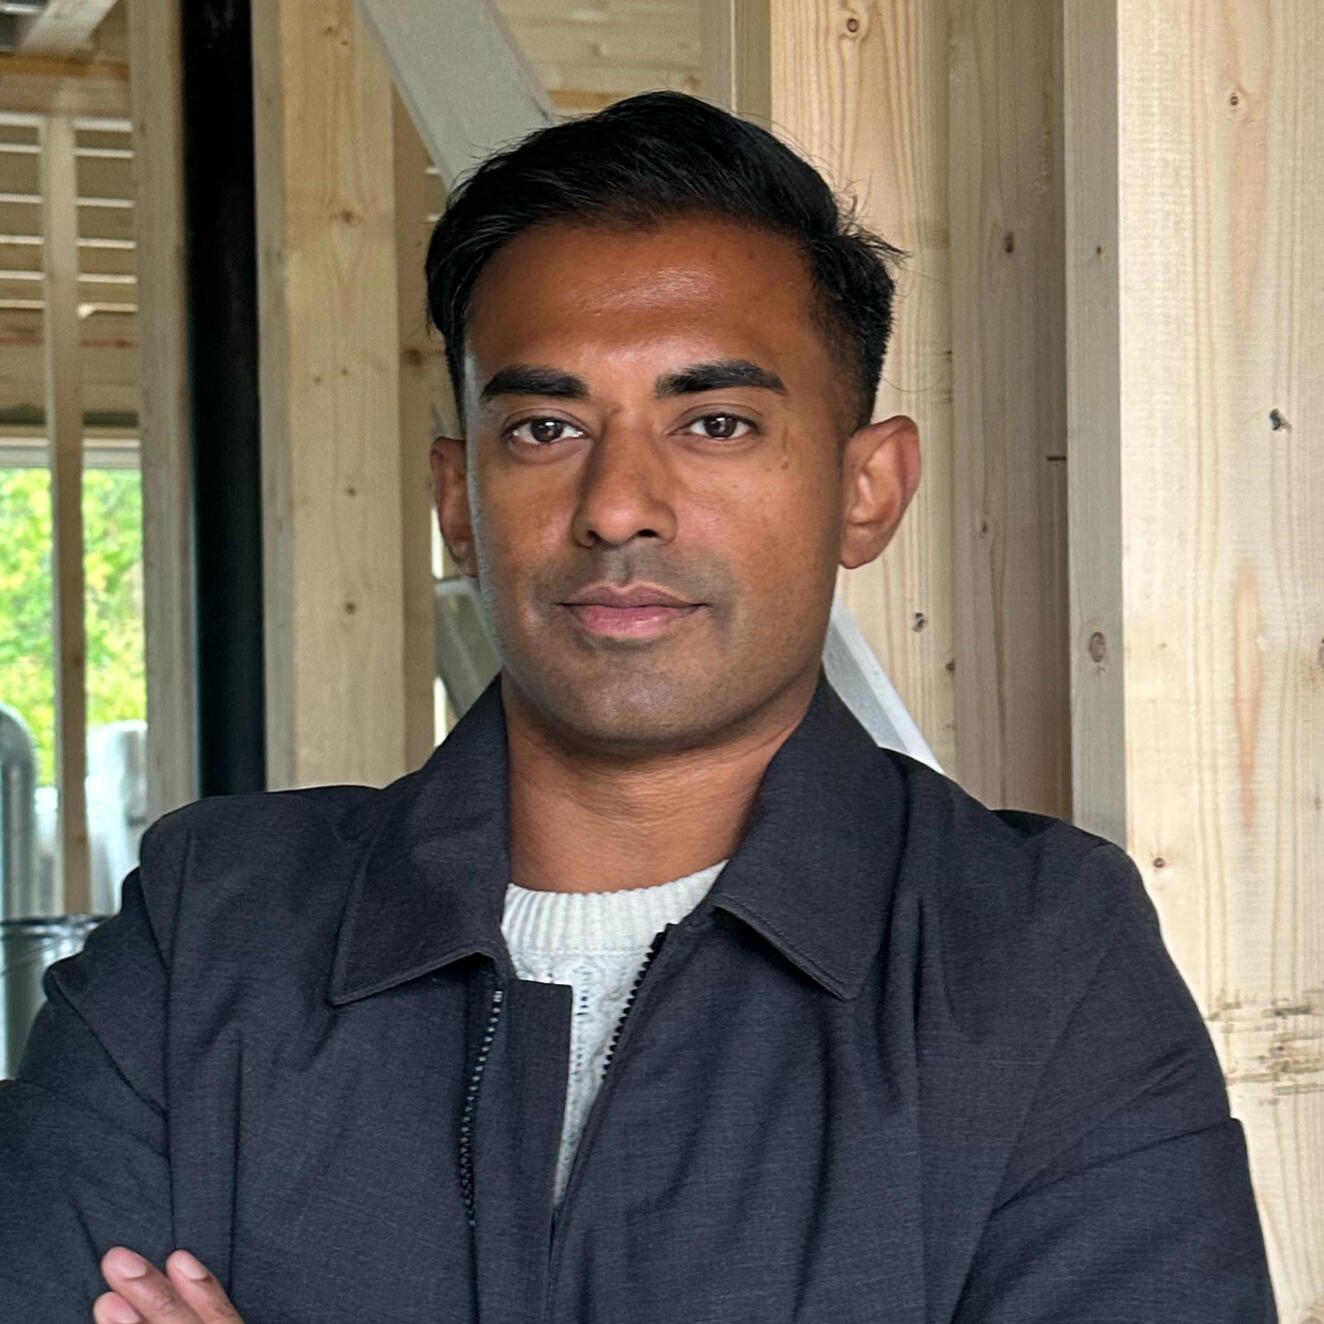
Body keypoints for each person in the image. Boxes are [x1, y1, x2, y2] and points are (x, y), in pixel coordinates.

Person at [0, 91, 1275, 1324]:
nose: (617, 506)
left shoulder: (1034, 956)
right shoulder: (211, 927)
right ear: (457, 498)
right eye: (544, 429)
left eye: (713, 422)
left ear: (867, 489)